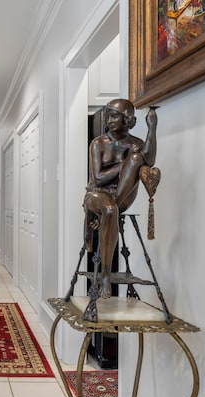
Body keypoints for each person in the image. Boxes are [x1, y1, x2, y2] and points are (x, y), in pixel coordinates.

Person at [83, 99, 158, 298]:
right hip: (97, 195)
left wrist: (152, 129)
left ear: (128, 119)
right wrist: (123, 164)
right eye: (108, 115)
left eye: (114, 116)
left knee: (136, 159)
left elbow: (149, 160)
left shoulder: (135, 145)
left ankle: (105, 216)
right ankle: (106, 275)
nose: (109, 120)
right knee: (109, 209)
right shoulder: (98, 143)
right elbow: (98, 178)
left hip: (123, 197)